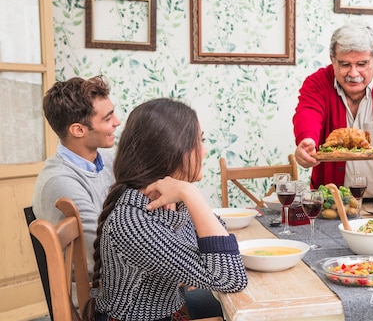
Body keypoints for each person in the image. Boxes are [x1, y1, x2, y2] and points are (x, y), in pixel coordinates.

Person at [83, 98, 247, 321]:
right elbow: (230, 278)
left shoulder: (161, 202)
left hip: (169, 313)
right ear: (170, 150)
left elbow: (215, 235)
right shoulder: (134, 222)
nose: (205, 152)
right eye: (198, 142)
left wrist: (187, 200)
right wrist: (192, 194)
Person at [293, 23, 373, 200]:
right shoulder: (317, 83)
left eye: (362, 64)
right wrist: (307, 140)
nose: (353, 73)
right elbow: (308, 112)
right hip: (332, 202)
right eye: (345, 64)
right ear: (332, 60)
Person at [32, 76, 120, 270]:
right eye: (108, 118)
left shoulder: (107, 160)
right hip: (97, 291)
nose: (117, 122)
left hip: (124, 278)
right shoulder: (59, 182)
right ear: (78, 130)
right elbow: (102, 251)